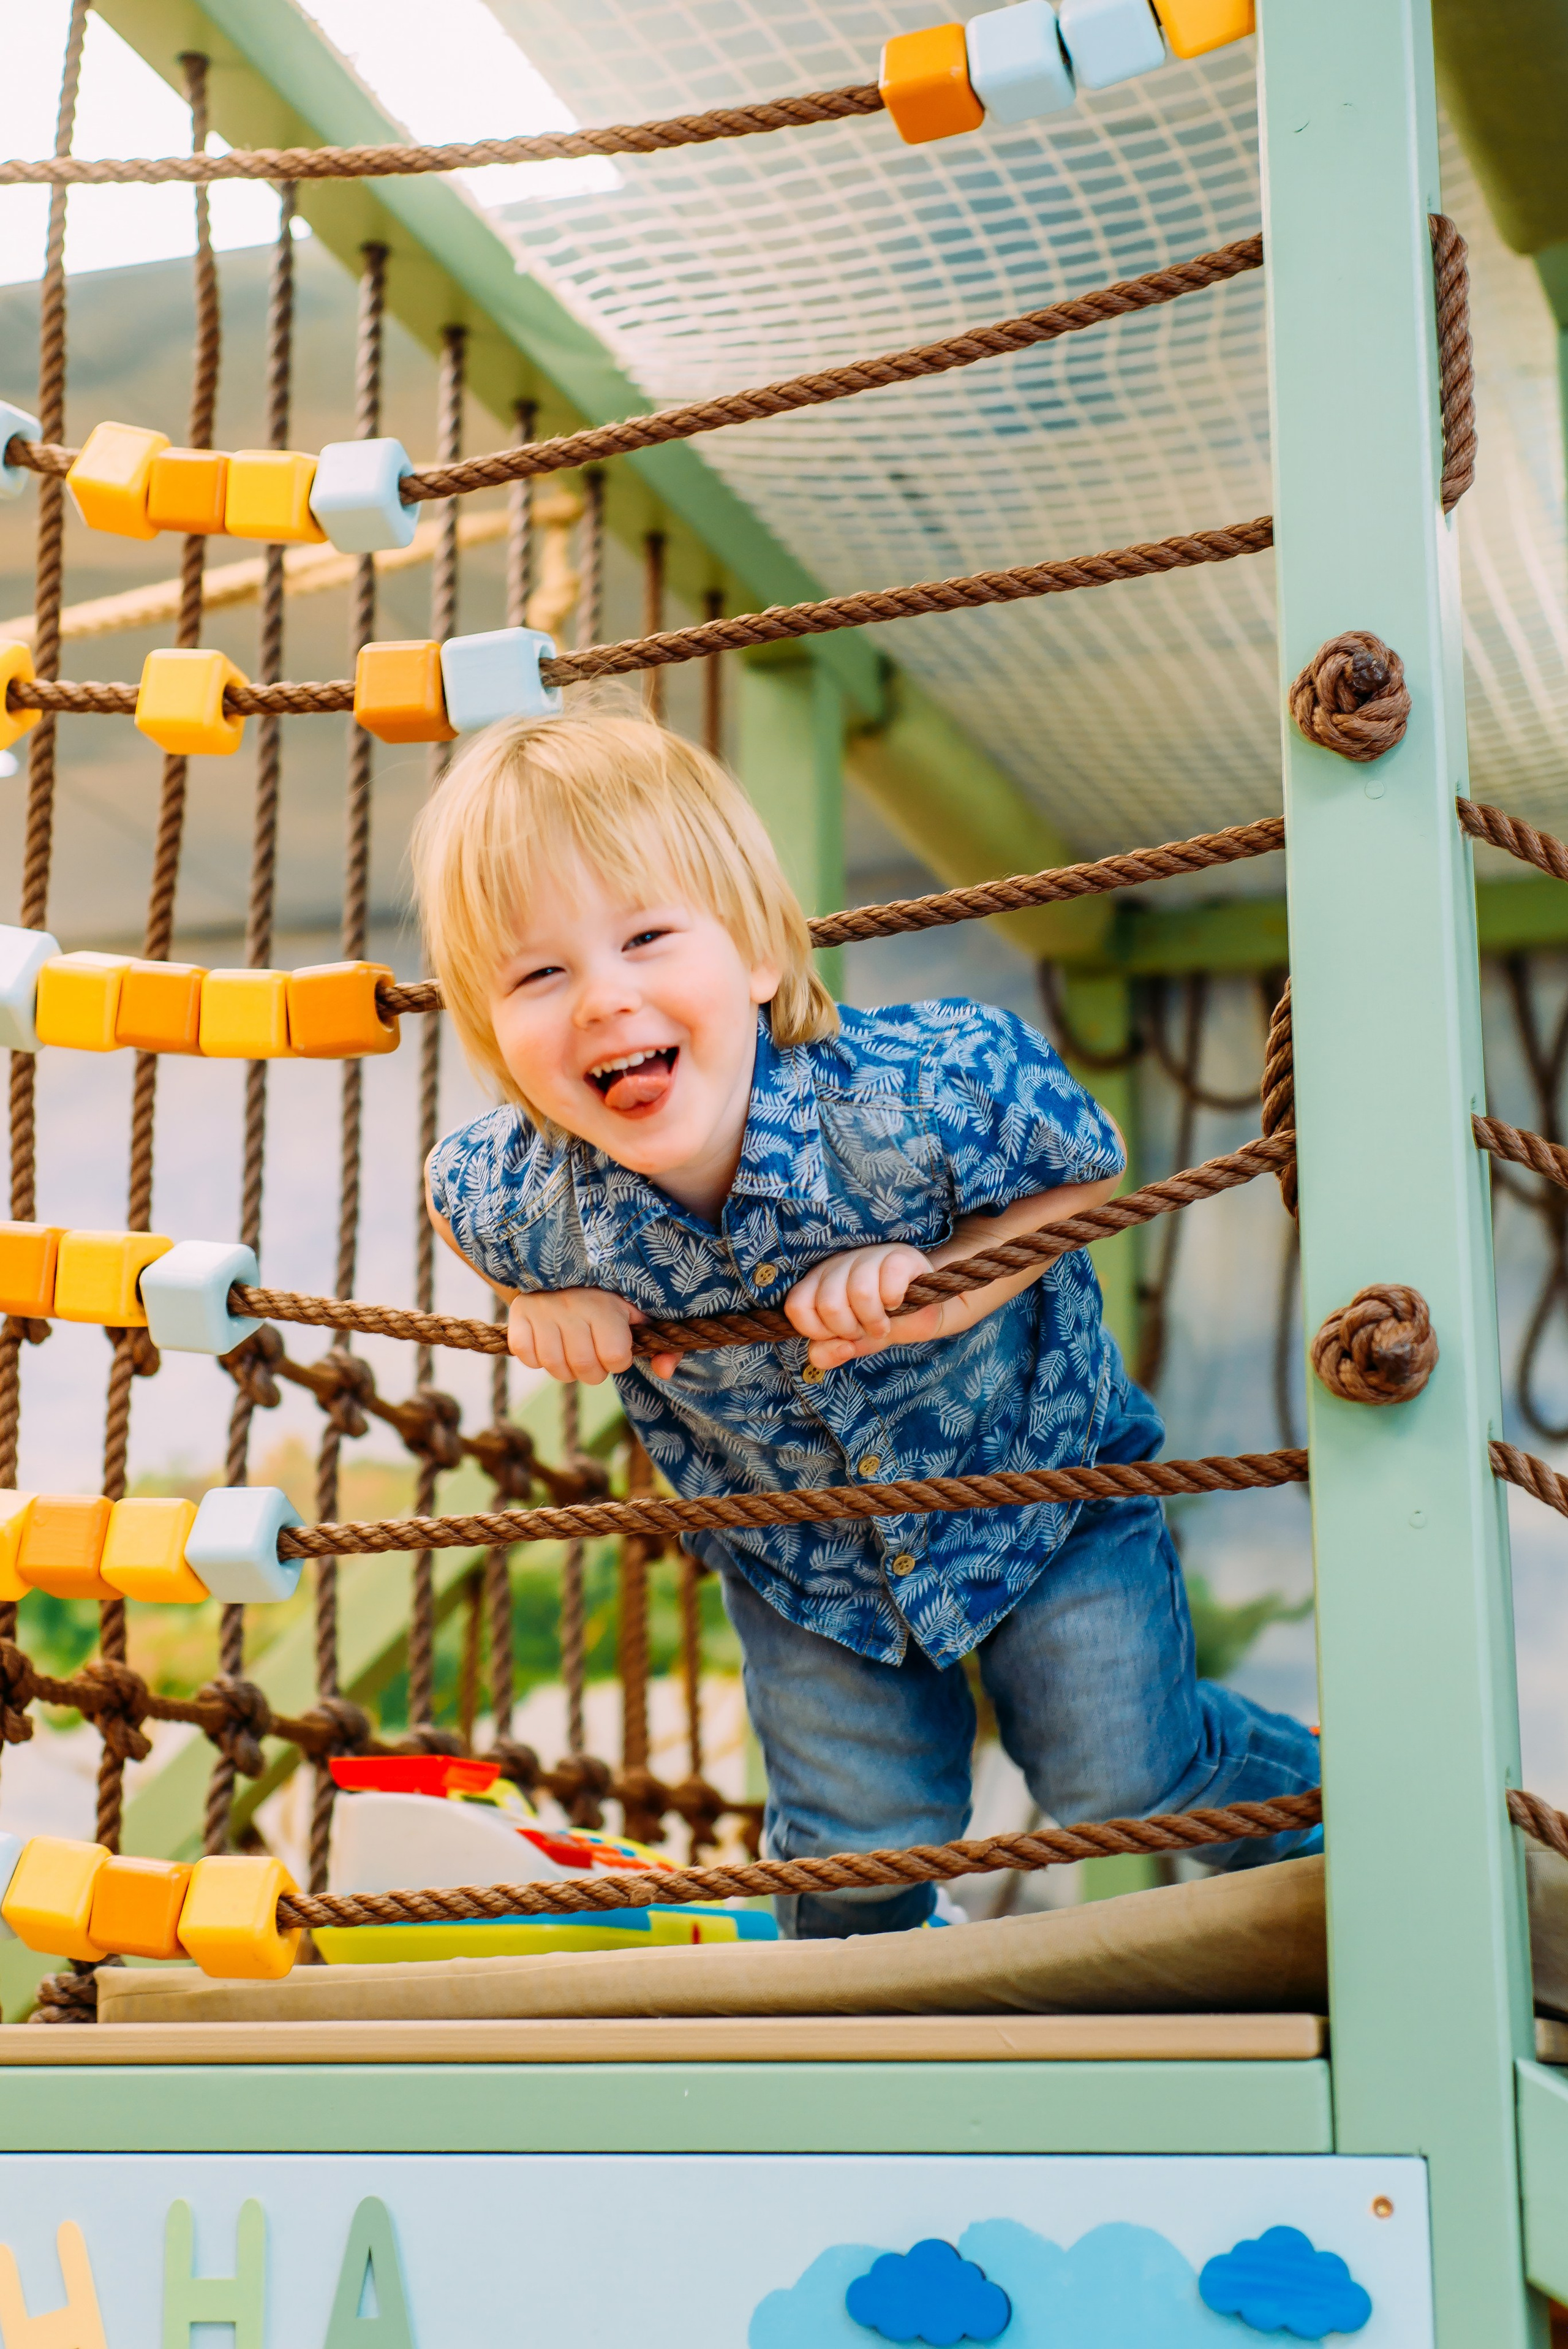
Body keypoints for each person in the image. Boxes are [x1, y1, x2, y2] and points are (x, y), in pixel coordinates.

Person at [415, 706, 1321, 1937]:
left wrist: (949, 1276)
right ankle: (866, 2037)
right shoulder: (523, 1194)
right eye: (539, 973)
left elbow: (1085, 1165)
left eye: (643, 936)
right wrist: (536, 1306)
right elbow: (450, 1196)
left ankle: (1339, 1802)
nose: (599, 999)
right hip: (808, 1561)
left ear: (753, 957)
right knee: (852, 1846)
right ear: (494, 1033)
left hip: (1039, 1490)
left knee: (1115, 1779)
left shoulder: (910, 1100)